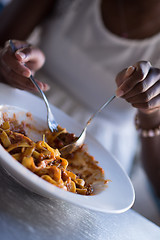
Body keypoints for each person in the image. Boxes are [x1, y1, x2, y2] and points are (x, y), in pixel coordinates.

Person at [0, 0, 159, 199]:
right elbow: (5, 44)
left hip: (103, 164)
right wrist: (16, 60)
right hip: (14, 108)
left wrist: (151, 113)